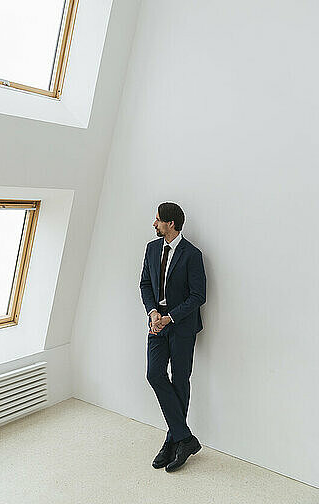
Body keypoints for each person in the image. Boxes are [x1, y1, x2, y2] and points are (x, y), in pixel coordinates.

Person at [140, 202, 206, 472]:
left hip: (181, 325)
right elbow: (145, 283)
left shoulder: (192, 254)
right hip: (157, 324)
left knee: (180, 380)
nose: (154, 224)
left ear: (170, 224)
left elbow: (198, 296)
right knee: (154, 374)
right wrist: (154, 312)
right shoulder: (152, 248)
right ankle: (184, 438)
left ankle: (173, 440)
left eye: (157, 220)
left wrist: (171, 317)